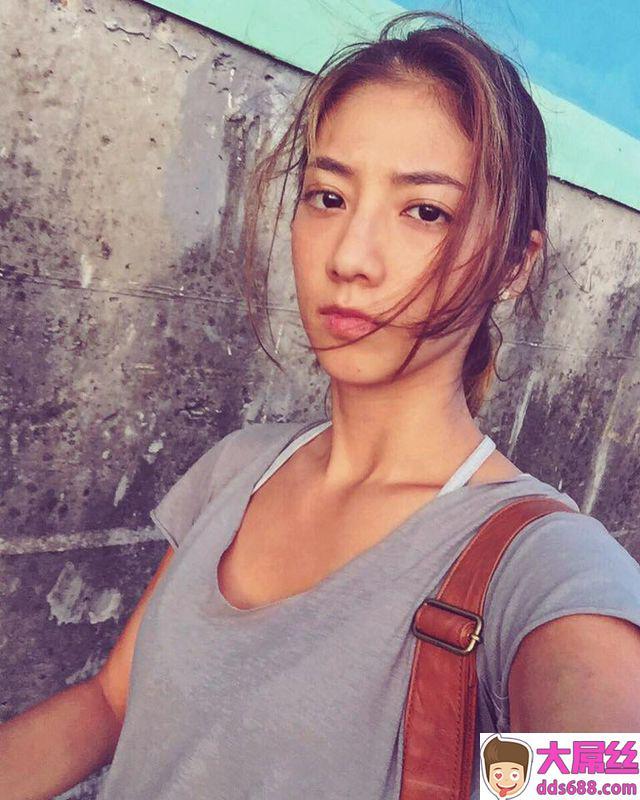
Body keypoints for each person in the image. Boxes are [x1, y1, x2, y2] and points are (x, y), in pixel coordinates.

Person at [2, 10, 640, 800]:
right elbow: (110, 704)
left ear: (515, 263)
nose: (350, 257)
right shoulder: (239, 469)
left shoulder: (548, 571)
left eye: (425, 211)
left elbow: (602, 757)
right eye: (328, 196)